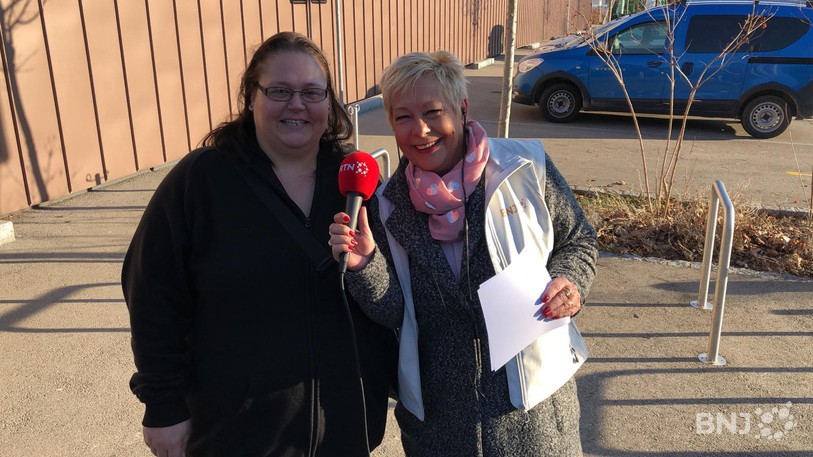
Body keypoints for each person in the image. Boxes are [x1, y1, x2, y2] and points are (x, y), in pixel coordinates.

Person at [122, 31, 396, 457]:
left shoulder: (356, 183)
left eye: (312, 92)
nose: (297, 104)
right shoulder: (202, 181)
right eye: (279, 90)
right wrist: (163, 405)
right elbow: (152, 295)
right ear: (251, 97)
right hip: (237, 434)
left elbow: (398, 290)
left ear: (329, 103)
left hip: (345, 431)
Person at [328, 51, 598, 456]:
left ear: (463, 108)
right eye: (403, 117)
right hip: (438, 425)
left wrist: (570, 283)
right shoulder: (386, 204)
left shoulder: (525, 168)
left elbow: (578, 241)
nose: (420, 130)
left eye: (433, 111)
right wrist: (365, 265)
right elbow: (393, 314)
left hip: (536, 416)